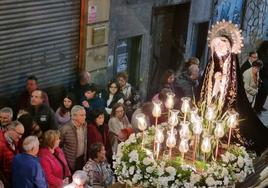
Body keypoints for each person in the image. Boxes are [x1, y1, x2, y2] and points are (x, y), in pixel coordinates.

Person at [199, 21, 268, 155]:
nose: (219, 49)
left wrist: (222, 80)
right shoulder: (212, 62)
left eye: (222, 46)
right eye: (217, 46)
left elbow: (232, 84)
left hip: (226, 97)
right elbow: (206, 81)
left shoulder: (231, 64)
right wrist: (215, 80)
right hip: (212, 95)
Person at [60, 105, 87, 173]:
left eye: (84, 115)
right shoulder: (65, 129)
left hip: (82, 159)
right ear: (74, 116)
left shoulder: (85, 126)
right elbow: (59, 146)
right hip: (69, 162)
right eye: (82, 115)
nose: (85, 117)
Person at [0, 121, 24, 187]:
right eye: (19, 133)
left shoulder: (15, 141)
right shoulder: (1, 145)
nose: (20, 137)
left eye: (22, 134)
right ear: (10, 130)